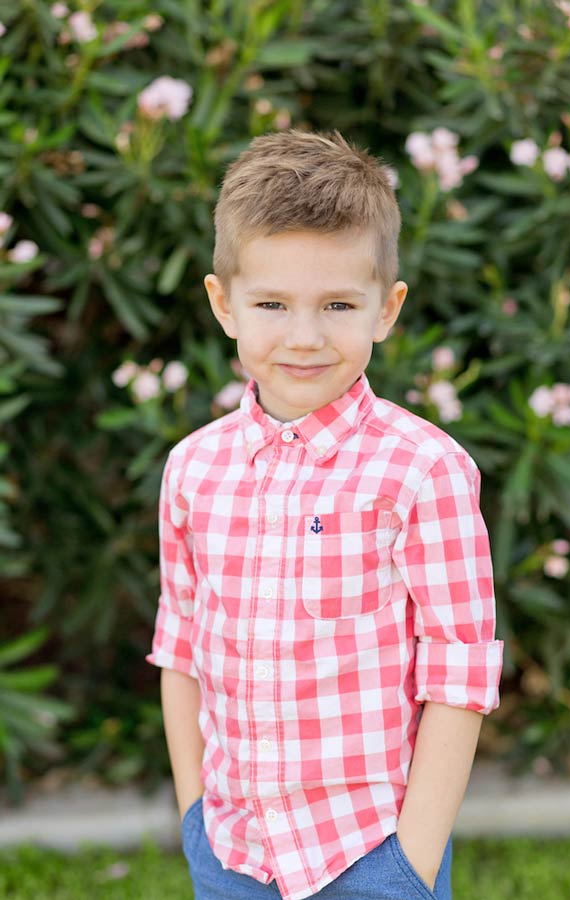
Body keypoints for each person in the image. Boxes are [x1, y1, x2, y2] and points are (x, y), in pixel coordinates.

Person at [146, 128, 504, 900]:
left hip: (369, 849)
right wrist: (194, 817)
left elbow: (459, 672)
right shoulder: (193, 470)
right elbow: (180, 648)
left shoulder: (424, 471)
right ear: (223, 302)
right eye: (272, 303)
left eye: (338, 303)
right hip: (233, 850)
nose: (304, 338)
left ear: (387, 308)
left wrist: (410, 860)